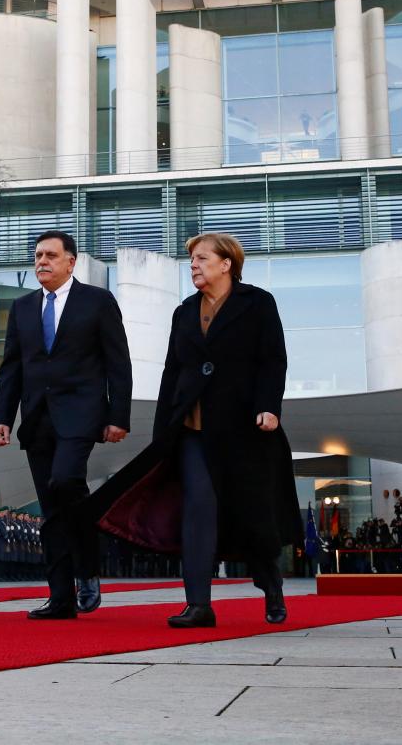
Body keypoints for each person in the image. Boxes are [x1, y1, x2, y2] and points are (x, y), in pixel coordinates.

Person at [91, 232, 300, 628]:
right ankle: (199, 604)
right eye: (191, 261)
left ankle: (271, 585)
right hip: (192, 428)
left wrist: (269, 407)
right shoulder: (185, 311)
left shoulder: (257, 304)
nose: (194, 266)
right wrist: (162, 431)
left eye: (202, 259)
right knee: (198, 509)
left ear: (227, 264)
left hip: (244, 429)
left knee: (255, 515)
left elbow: (273, 360)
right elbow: (173, 371)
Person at [0, 229, 133, 620]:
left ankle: (87, 567)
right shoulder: (21, 308)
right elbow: (12, 369)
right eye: (38, 255)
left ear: (71, 262)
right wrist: (2, 417)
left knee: (66, 480)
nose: (42, 262)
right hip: (36, 418)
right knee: (52, 510)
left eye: (51, 255)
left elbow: (118, 362)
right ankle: (61, 598)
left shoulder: (98, 302)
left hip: (81, 414)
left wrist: (118, 416)